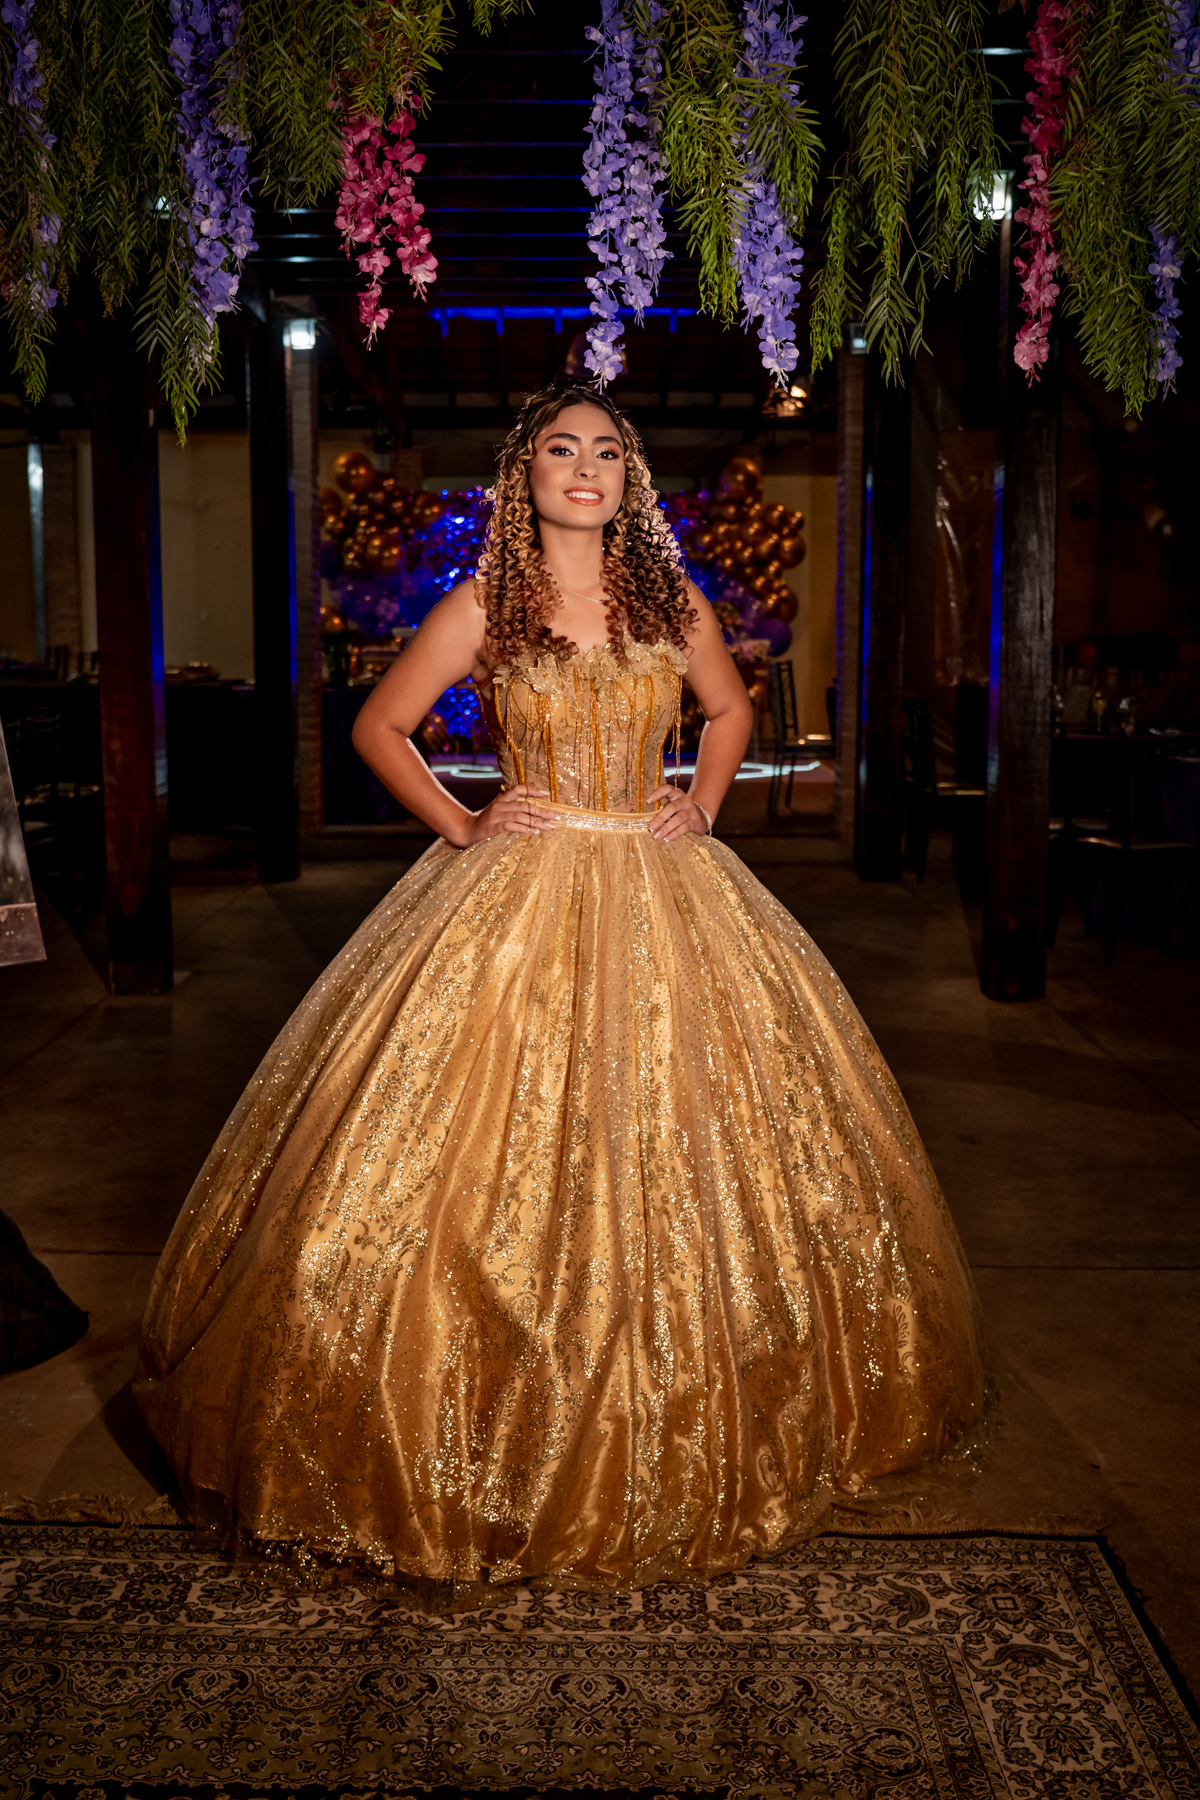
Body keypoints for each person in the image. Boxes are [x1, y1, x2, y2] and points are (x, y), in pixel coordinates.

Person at [135, 384, 984, 1594]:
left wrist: (702, 803)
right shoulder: (487, 602)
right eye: (560, 450)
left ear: (629, 479)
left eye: (606, 452)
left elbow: (730, 707)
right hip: (518, 886)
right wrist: (463, 824)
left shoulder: (669, 600)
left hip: (662, 880)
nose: (585, 467)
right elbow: (380, 727)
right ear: (524, 474)